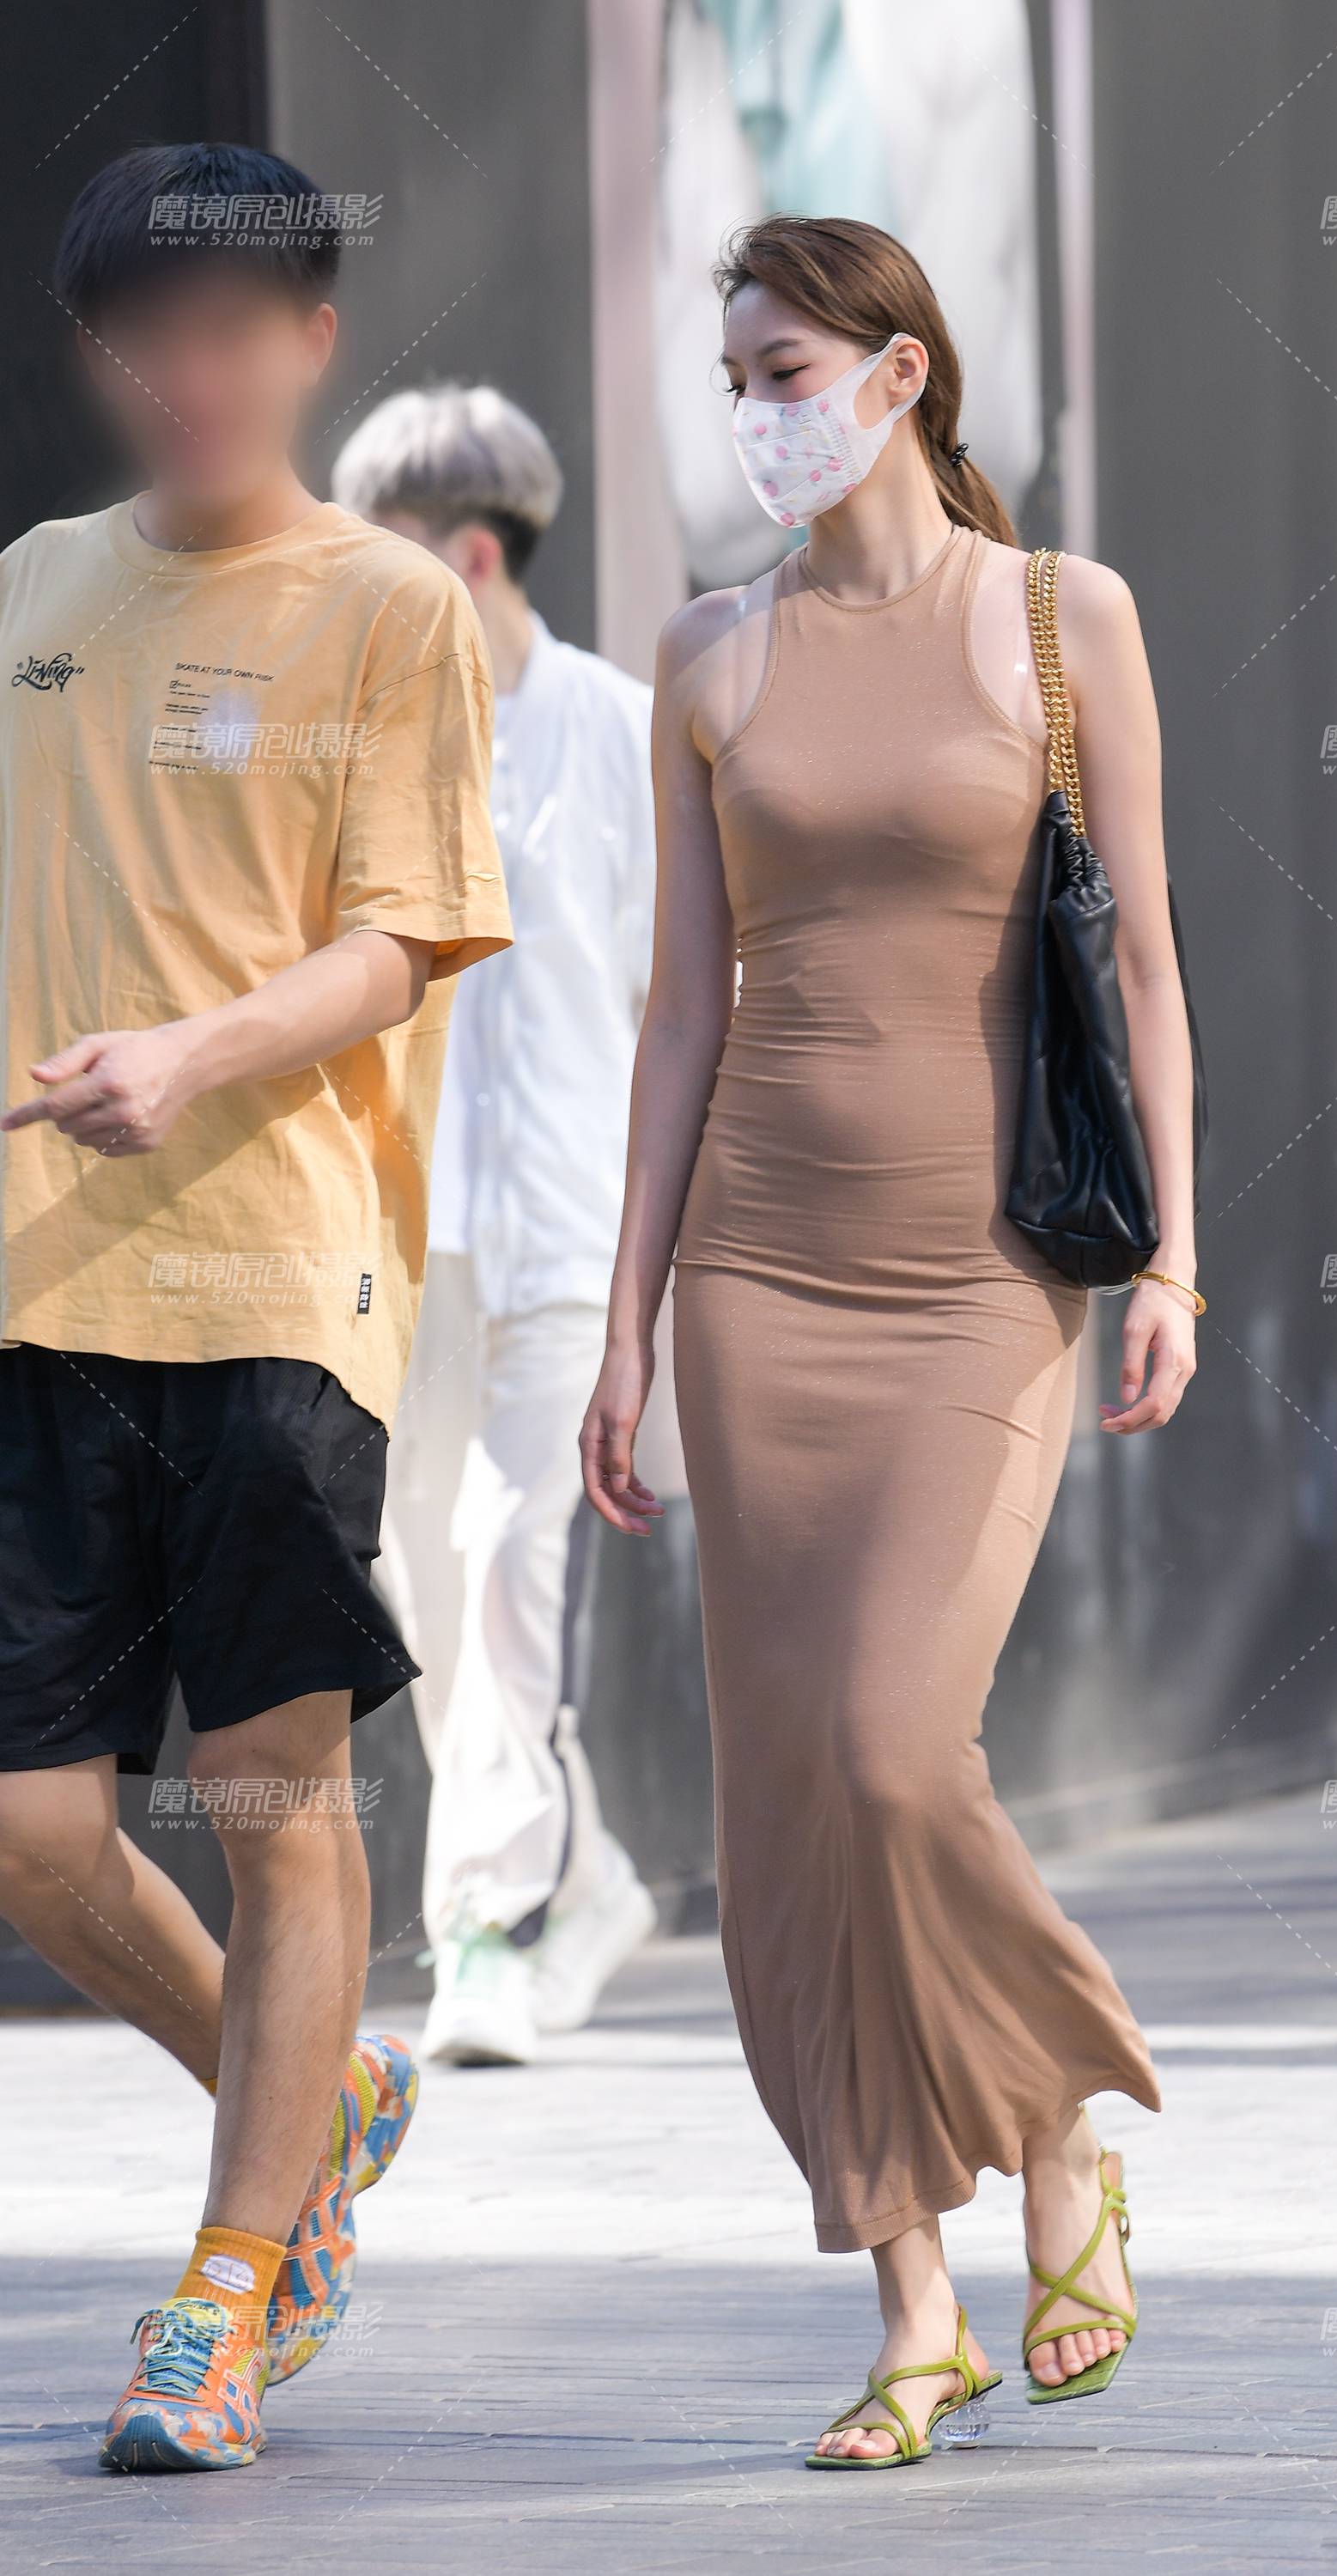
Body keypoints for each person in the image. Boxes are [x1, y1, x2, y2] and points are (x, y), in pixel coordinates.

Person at [580, 215, 1200, 2468]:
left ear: (898, 372)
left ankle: (1058, 2128)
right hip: (757, 1276)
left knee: (889, 1749)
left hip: (985, 1271)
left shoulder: (1060, 616)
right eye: (734, 377)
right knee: (792, 1807)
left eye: (782, 370)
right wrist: (629, 1327)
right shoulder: (706, 654)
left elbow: (1144, 969)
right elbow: (682, 1018)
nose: (754, 413)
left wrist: (1177, 1265)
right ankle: (912, 2303)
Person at [0, 144, 509, 2471]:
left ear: (308, 343)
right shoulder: (32, 590)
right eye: (145, 337)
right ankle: (308, 2102)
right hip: (38, 1286)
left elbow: (400, 939)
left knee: (267, 1789)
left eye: (230, 332)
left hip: (283, 1274)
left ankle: (225, 2294)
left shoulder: (390, 609)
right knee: (28, 1833)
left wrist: (194, 1057)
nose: (185, 377)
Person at [331, 387, 658, 2064]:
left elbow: (682, 998)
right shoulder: (351, 740)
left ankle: (483, 1931)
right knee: (435, 1600)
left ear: (467, 558)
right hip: (406, 1241)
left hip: (576, 1233)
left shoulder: (627, 732)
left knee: (507, 1564)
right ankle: (589, 1877)